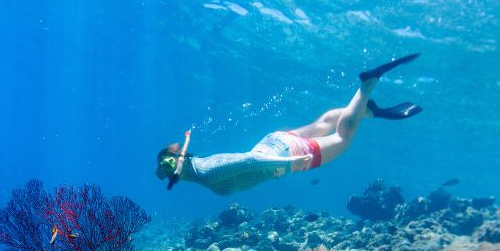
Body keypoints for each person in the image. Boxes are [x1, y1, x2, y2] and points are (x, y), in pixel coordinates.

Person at [155, 53, 422, 195]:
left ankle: (366, 87)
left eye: (166, 165)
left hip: (283, 155)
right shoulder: (198, 168)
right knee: (324, 122)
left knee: (342, 138)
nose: (165, 171)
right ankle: (370, 112)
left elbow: (248, 162)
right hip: (274, 143)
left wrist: (289, 165)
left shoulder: (207, 171)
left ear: (177, 160)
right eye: (163, 169)